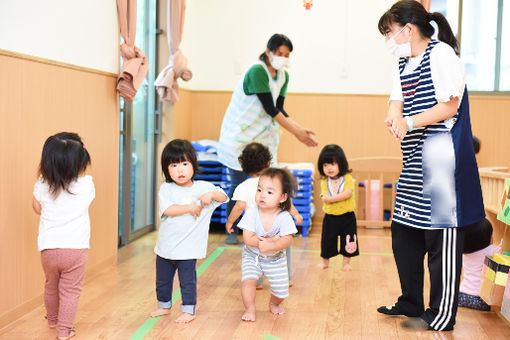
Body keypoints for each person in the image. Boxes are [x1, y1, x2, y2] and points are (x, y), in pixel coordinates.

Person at [376, 0, 485, 331]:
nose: (388, 40)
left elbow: (450, 106)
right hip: (414, 161)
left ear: (408, 30)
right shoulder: (404, 62)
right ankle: (411, 299)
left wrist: (409, 121)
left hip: (443, 163)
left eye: (390, 33)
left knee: (441, 240)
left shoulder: (441, 56)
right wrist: (395, 116)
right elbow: (396, 100)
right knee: (403, 232)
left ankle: (440, 314)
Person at [218, 33, 318, 244]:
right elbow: (270, 108)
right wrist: (297, 132)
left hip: (262, 138)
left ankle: (265, 229)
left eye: (286, 54)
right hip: (240, 137)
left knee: (268, 186)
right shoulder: (257, 71)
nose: (282, 57)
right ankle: (231, 231)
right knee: (238, 187)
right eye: (279, 53)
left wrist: (300, 129)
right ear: (268, 51)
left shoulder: (283, 76)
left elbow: (280, 108)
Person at [150, 139, 228, 323]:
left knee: (188, 282)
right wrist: (190, 208)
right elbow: (167, 210)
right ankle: (164, 306)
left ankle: (188, 310)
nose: (180, 170)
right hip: (165, 248)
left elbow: (224, 197)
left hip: (188, 250)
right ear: (166, 169)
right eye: (174, 165)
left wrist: (211, 195)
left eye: (185, 164)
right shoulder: (167, 189)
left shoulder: (202, 187)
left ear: (193, 164)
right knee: (162, 281)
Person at [32, 132, 95, 340]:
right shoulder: (86, 185)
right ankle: (64, 330)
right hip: (75, 248)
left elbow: (37, 208)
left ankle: (52, 320)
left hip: (48, 248)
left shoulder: (42, 184)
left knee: (51, 285)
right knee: (70, 291)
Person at [225, 142, 302, 289]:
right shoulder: (274, 183)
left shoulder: (243, 186)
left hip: (255, 231)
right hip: (276, 227)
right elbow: (286, 202)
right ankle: (287, 279)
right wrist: (296, 215)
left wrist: (230, 223)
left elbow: (239, 207)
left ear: (244, 167)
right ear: (267, 164)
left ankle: (257, 281)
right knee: (284, 251)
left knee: (253, 254)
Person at [237, 168, 298, 322]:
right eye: (259, 189)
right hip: (253, 256)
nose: (262, 194)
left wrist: (271, 245)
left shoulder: (284, 217)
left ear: (283, 197)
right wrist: (260, 244)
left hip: (275, 259)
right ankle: (250, 309)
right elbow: (247, 238)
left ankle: (273, 303)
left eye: (270, 192)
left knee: (281, 291)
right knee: (248, 281)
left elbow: (287, 240)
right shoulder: (251, 212)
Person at [316, 144, 359, 271]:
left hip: (347, 216)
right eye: (325, 165)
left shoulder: (347, 178)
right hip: (330, 217)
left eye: (332, 164)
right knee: (327, 240)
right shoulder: (325, 181)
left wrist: (330, 199)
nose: (329, 168)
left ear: (341, 163)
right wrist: (326, 198)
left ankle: (346, 263)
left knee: (349, 239)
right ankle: (325, 262)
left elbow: (347, 193)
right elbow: (324, 194)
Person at [459, 218, 501, 311]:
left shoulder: (465, 253)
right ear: (487, 239)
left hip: (461, 295)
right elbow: (503, 252)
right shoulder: (490, 251)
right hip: (479, 299)